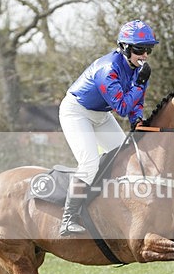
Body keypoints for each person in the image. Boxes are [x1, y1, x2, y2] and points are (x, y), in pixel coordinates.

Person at [57, 20, 158, 236]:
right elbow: (122, 107)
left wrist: (137, 121)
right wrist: (139, 86)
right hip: (77, 112)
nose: (145, 55)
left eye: (148, 49)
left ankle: (110, 207)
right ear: (125, 48)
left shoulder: (139, 69)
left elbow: (136, 103)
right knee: (90, 162)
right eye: (140, 49)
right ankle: (68, 218)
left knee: (125, 156)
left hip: (101, 114)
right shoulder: (108, 69)